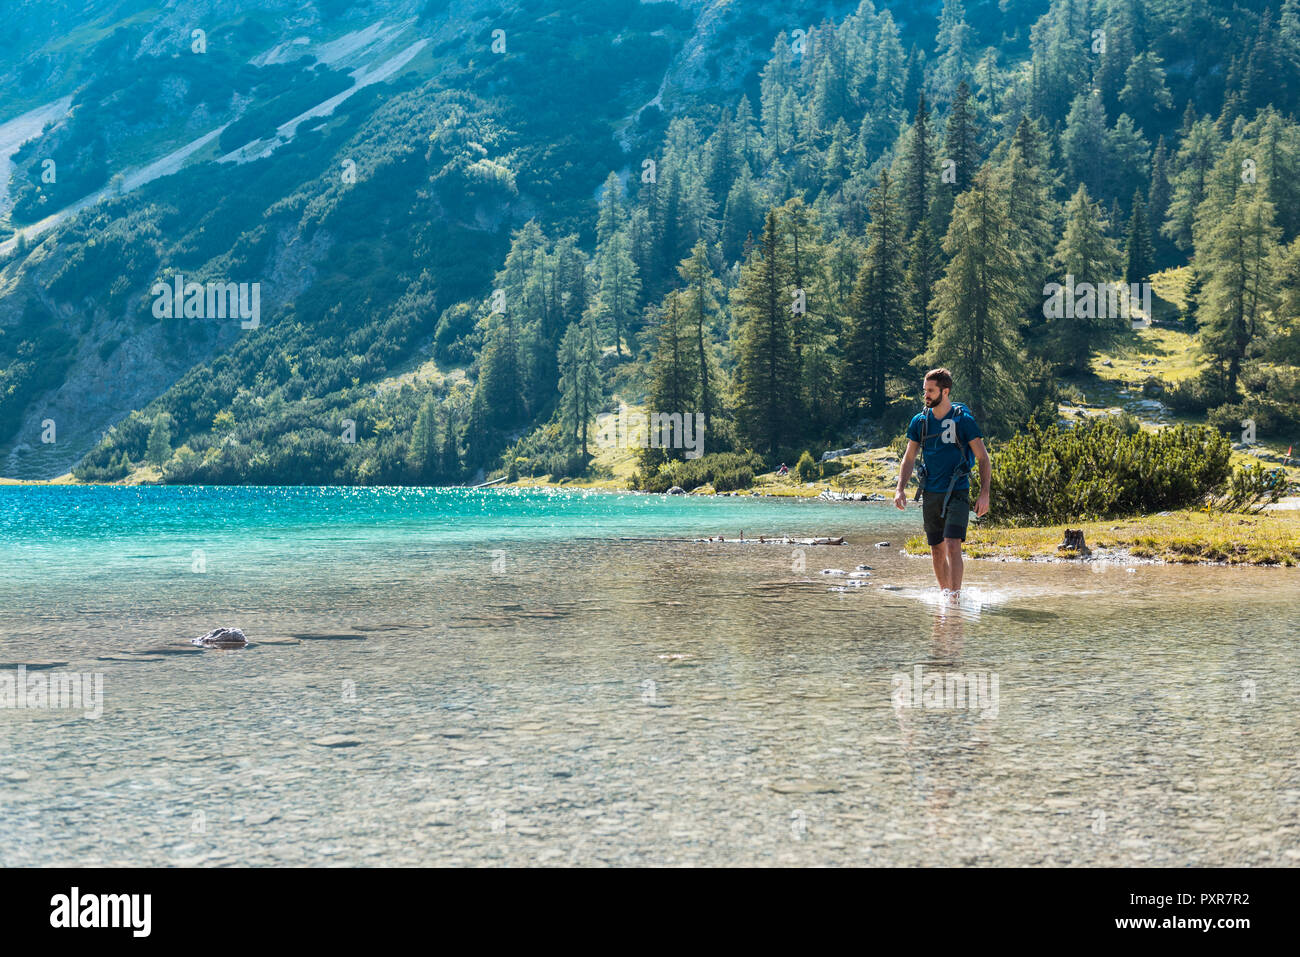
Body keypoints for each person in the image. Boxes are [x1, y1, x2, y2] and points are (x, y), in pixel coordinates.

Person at [893, 368, 991, 603]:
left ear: (944, 392)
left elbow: (983, 458)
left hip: (957, 489)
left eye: (930, 391)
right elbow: (909, 458)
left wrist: (984, 494)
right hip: (931, 492)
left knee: (952, 543)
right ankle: (945, 597)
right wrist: (900, 489)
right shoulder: (920, 421)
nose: (925, 395)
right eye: (924, 390)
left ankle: (955, 598)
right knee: (936, 549)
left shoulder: (963, 421)